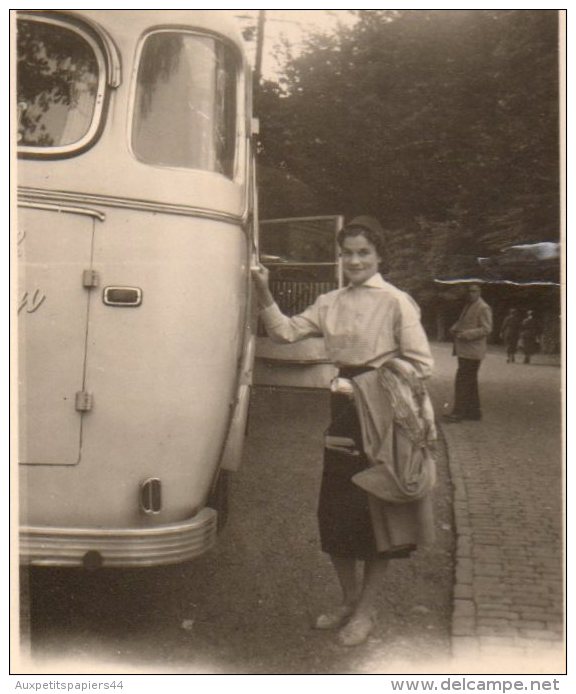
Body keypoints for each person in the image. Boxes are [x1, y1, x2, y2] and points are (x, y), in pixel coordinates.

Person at [251, 216, 436, 647]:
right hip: (342, 410)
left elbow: (422, 365)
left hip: (382, 414)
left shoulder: (396, 302)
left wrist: (370, 382)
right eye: (348, 252)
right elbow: (283, 332)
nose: (354, 260)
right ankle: (349, 601)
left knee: (376, 515)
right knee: (335, 511)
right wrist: (262, 289)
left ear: (378, 256)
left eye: (363, 253)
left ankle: (366, 613)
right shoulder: (330, 301)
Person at [444, 284, 493, 422]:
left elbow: (487, 329)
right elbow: (462, 322)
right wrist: (454, 328)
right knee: (469, 381)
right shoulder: (469, 305)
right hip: (466, 350)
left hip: (473, 350)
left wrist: (466, 334)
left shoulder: (483, 307)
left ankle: (458, 413)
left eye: (474, 291)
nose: (471, 294)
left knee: (463, 381)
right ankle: (473, 413)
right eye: (469, 291)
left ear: (479, 292)